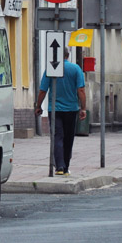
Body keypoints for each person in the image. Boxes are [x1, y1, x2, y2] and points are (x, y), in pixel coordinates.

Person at [34, 48, 86, 176]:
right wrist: (83, 108)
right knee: (68, 138)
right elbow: (81, 90)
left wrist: (38, 105)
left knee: (57, 137)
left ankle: (59, 167)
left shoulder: (51, 69)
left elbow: (43, 90)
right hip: (71, 109)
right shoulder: (76, 69)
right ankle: (66, 166)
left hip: (55, 110)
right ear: (68, 55)